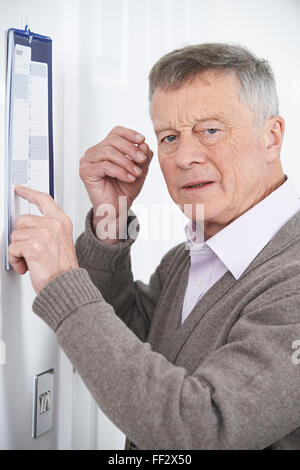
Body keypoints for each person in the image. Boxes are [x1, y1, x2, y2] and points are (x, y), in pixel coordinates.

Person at [9, 43, 300, 450]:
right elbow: (128, 348)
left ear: (271, 137)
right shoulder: (189, 256)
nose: (184, 157)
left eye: (210, 130)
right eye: (169, 137)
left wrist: (62, 281)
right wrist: (111, 220)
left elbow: (199, 430)